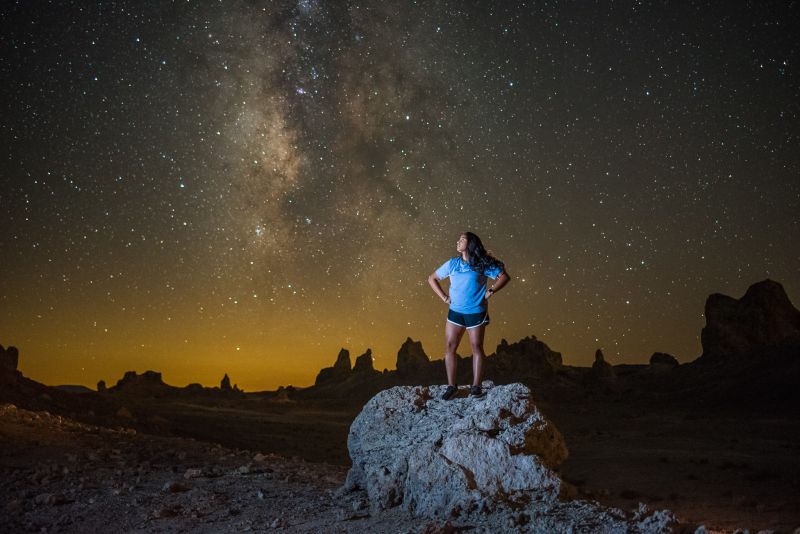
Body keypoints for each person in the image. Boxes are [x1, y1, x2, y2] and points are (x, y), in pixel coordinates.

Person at [428, 232, 510, 400]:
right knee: (450, 347)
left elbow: (504, 277)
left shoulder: (481, 264)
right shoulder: (453, 264)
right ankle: (452, 387)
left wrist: (491, 291)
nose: (458, 241)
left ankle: (476, 387)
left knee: (476, 348)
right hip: (455, 313)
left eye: (462, 239)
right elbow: (432, 278)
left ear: (471, 243)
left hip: (475, 312)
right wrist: (444, 297)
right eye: (458, 238)